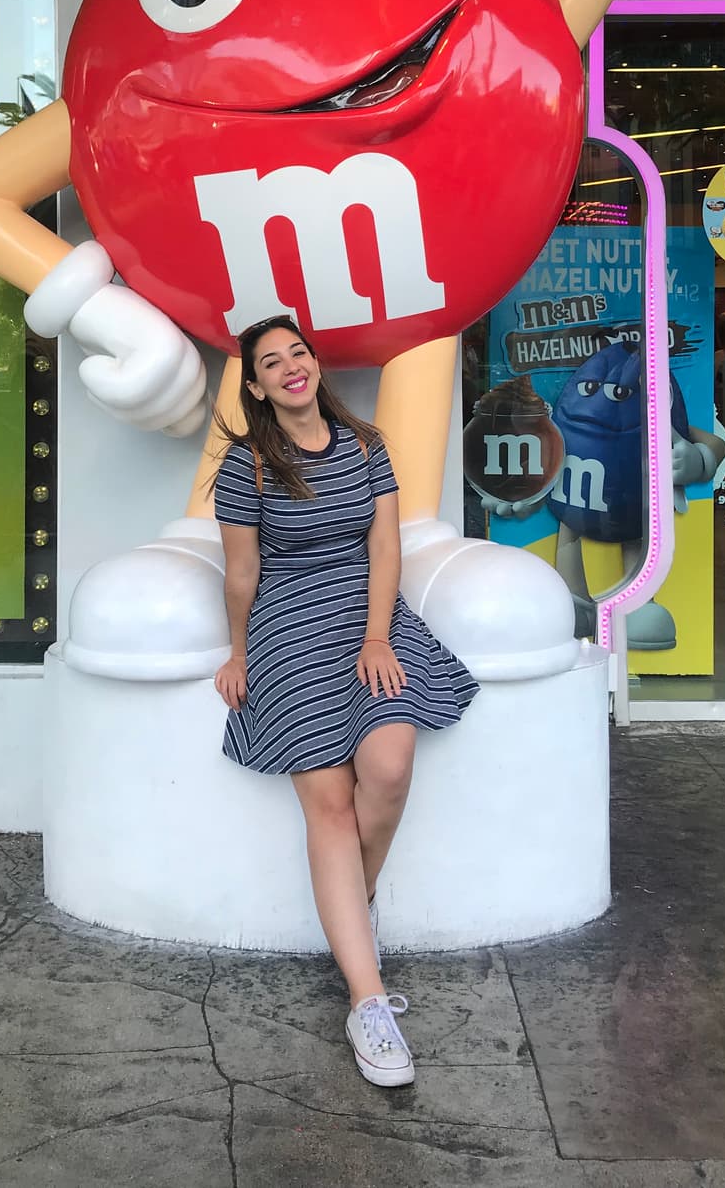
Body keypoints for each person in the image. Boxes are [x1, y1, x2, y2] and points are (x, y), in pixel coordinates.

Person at [211, 316, 478, 1090]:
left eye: (299, 351)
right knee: (328, 807)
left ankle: (348, 907)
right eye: (271, 361)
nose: (292, 366)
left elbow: (385, 547)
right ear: (256, 385)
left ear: (314, 363)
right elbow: (241, 572)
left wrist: (376, 637)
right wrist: (239, 651)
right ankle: (367, 1001)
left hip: (370, 619)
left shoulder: (366, 444)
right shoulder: (248, 465)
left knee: (388, 764)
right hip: (289, 627)